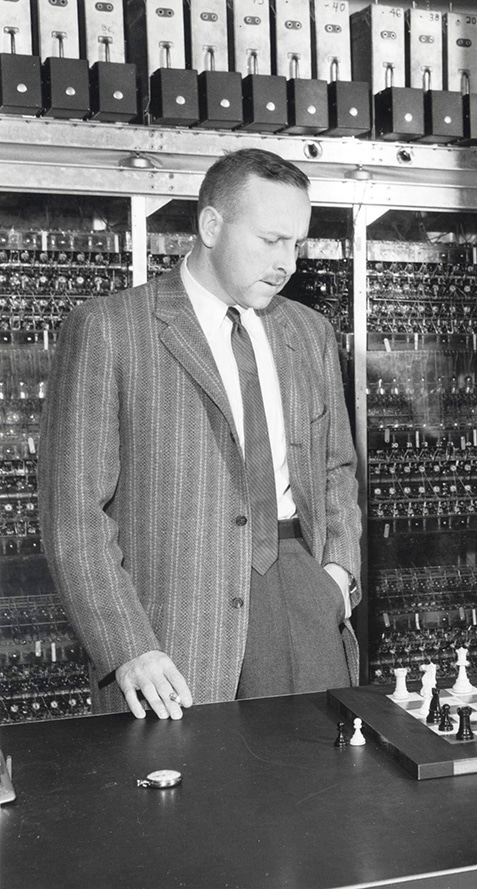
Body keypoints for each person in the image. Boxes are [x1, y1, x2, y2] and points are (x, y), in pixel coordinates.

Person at [39, 148, 362, 719]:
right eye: (271, 240)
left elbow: (336, 467)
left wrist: (336, 574)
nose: (287, 263)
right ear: (211, 226)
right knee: (187, 777)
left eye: (296, 244)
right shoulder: (110, 329)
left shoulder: (309, 332)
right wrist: (127, 645)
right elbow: (73, 513)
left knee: (323, 768)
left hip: (302, 593)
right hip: (173, 624)